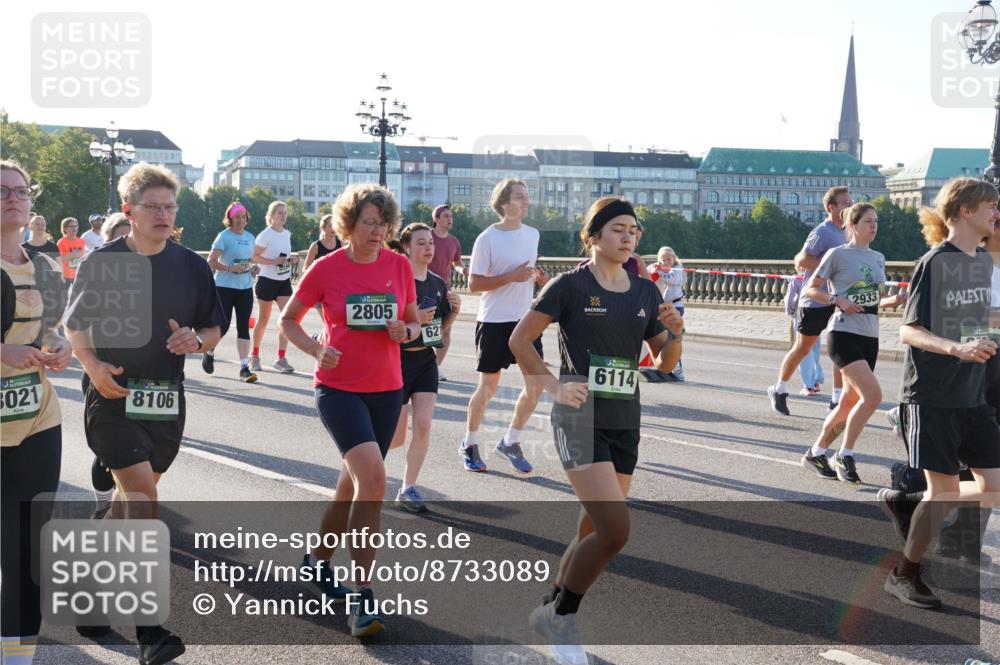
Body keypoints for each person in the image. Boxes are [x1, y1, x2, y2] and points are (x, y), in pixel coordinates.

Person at [509, 196, 684, 665]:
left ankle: (550, 605)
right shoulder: (569, 286)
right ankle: (563, 616)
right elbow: (519, 340)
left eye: (634, 231)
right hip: (579, 418)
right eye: (618, 230)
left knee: (592, 527)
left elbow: (665, 363)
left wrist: (676, 332)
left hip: (625, 419)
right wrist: (551, 386)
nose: (628, 238)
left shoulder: (646, 292)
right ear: (594, 236)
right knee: (614, 529)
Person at [64, 162, 224, 661]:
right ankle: (150, 628)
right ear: (129, 211)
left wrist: (196, 340)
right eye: (153, 206)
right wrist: (92, 368)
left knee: (131, 502)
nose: (163, 214)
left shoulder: (191, 266)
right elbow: (75, 328)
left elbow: (214, 327)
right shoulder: (102, 262)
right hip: (112, 397)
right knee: (144, 498)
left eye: (170, 206)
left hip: (165, 399)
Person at [280, 183, 420, 637]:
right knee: (375, 481)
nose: (379, 231)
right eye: (369, 222)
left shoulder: (398, 266)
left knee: (350, 488)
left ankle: (316, 562)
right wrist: (314, 351)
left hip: (387, 389)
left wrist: (407, 331)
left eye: (384, 223)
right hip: (338, 389)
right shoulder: (326, 268)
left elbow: (416, 322)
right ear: (349, 224)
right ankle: (362, 597)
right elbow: (288, 320)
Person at [875, 177, 1000, 610]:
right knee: (944, 491)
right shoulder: (936, 261)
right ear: (965, 211)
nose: (996, 214)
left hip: (973, 396)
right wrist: (956, 348)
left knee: (992, 487)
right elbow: (909, 329)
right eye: (991, 206)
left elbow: (978, 323)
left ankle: (912, 500)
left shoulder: (982, 262)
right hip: (932, 395)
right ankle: (903, 573)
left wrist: (987, 337)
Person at [1, 160, 72, 665]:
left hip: (37, 420)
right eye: (1, 191)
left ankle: (17, 657)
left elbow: (55, 329)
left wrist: (60, 347)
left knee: (28, 549)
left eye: (21, 190)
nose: (13, 198)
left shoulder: (45, 265)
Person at [799, 203, 906, 483]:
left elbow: (871, 301)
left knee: (848, 402)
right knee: (873, 396)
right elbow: (811, 288)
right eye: (869, 221)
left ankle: (816, 451)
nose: (874, 226)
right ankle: (844, 454)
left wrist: (892, 301)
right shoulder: (837, 254)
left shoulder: (878, 258)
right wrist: (836, 300)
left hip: (870, 335)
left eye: (877, 221)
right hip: (843, 332)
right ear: (853, 225)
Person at [462, 179, 550, 473]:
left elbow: (526, 271)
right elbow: (474, 283)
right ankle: (470, 443)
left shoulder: (533, 234)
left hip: (524, 322)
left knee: (536, 385)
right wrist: (511, 276)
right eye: (520, 197)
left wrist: (538, 277)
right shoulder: (486, 239)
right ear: (503, 203)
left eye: (527, 196)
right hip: (494, 320)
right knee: (488, 388)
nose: (526, 202)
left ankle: (510, 441)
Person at [386, 223, 459, 512]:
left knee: (424, 426)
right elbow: (388, 323)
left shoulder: (439, 283)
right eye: (421, 243)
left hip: (424, 362)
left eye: (430, 243)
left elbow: (437, 334)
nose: (428, 248)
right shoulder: (396, 280)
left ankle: (408, 488)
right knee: (396, 438)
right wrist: (415, 319)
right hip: (397, 362)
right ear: (406, 247)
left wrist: (453, 313)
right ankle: (363, 473)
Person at [768, 186, 852, 415]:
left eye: (850, 202)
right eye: (845, 203)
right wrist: (829, 270)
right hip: (815, 300)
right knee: (803, 348)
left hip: (839, 299)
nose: (850, 206)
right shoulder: (822, 232)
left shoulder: (850, 231)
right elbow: (803, 259)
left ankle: (836, 399)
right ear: (831, 207)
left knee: (839, 348)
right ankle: (780, 389)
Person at [205, 202, 260, 382]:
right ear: (230, 219)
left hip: (245, 287)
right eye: (237, 217)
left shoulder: (251, 238)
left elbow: (249, 261)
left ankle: (244, 367)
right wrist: (229, 268)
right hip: (224, 287)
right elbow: (211, 261)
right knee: (224, 325)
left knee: (244, 326)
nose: (240, 220)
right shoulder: (224, 236)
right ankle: (210, 351)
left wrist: (253, 268)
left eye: (243, 217)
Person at [249, 201, 296, 374]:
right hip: (266, 280)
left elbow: (284, 255)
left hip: (283, 281)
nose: (283, 216)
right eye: (280, 213)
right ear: (271, 216)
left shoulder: (287, 234)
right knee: (264, 320)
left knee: (286, 320)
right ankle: (254, 356)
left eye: (285, 213)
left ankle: (281, 358)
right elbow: (254, 256)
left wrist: (290, 261)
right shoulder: (265, 235)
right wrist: (272, 262)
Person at [427, 204, 466, 380]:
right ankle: (424, 367)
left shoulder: (454, 241)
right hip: (425, 288)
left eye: (451, 216)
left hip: (446, 290)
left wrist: (463, 270)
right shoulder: (427, 237)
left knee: (446, 330)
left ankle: (436, 367)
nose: (450, 219)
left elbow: (456, 263)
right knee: (429, 330)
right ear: (436, 219)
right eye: (446, 216)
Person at [785, 270, 825, 396]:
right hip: (818, 315)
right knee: (815, 350)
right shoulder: (820, 278)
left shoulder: (796, 279)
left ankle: (809, 386)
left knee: (802, 352)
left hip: (801, 315)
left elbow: (790, 301)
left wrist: (791, 313)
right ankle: (816, 380)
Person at [650, 246, 686, 381]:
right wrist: (654, 268)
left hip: (676, 306)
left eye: (668, 259)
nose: (666, 262)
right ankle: (668, 366)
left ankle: (678, 369)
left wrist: (661, 271)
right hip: (666, 306)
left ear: (674, 258)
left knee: (672, 338)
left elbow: (671, 279)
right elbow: (648, 275)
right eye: (663, 259)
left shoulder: (678, 269)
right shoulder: (663, 267)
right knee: (665, 338)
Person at [56, 217, 85, 288]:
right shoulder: (61, 242)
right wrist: (72, 255)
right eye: (71, 226)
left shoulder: (81, 241)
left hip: (78, 274)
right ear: (65, 228)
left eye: (76, 226)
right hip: (66, 275)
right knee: (64, 297)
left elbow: (82, 257)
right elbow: (60, 260)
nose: (74, 228)